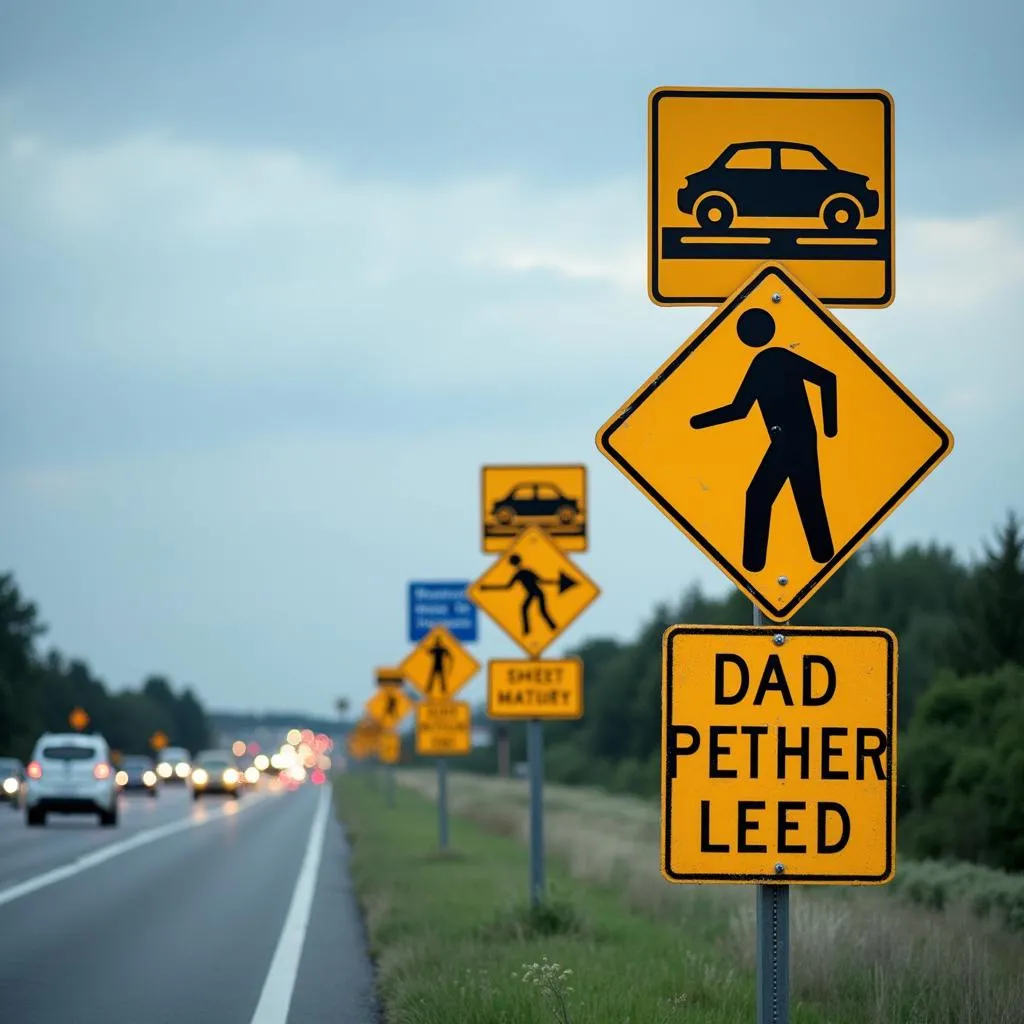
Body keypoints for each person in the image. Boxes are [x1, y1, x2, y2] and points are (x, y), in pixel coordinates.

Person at [690, 306, 837, 572]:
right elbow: (740, 409)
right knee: (798, 496)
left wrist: (831, 428)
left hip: (797, 439)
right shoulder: (762, 363)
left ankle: (758, 564)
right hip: (786, 441)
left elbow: (828, 379)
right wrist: (697, 422)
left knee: (774, 495)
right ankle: (811, 555)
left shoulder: (776, 358)